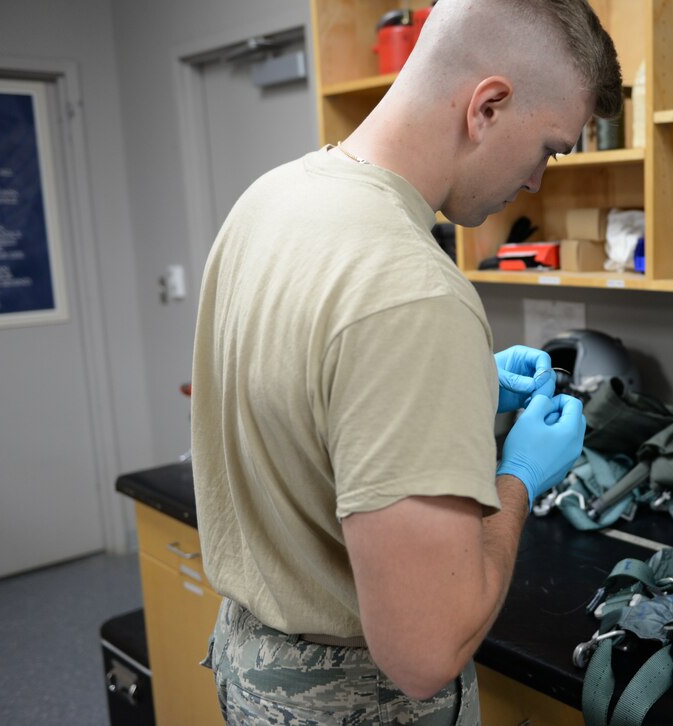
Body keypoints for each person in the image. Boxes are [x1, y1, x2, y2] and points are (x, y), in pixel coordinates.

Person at [190, 0, 622, 723]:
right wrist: (519, 477)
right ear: (487, 106)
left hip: (251, 661)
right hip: (351, 700)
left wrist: (454, 384)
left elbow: (307, 387)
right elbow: (425, 652)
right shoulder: (413, 292)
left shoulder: (272, 199)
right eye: (550, 149)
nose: (536, 182)